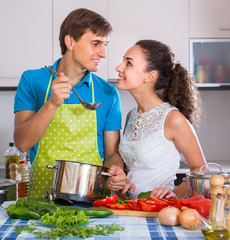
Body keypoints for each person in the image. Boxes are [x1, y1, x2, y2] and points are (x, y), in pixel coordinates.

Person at [14, 8, 127, 199]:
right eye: (96, 43)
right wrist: (51, 104)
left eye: (105, 44)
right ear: (70, 42)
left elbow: (111, 153)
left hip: (91, 199)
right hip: (42, 200)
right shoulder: (32, 80)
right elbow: (22, 143)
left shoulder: (108, 92)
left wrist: (116, 168)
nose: (103, 53)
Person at [116, 40, 207, 200]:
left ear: (150, 76)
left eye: (128, 63)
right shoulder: (131, 116)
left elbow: (201, 169)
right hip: (131, 210)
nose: (119, 67)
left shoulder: (173, 119)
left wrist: (175, 194)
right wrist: (124, 188)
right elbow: (134, 172)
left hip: (160, 212)